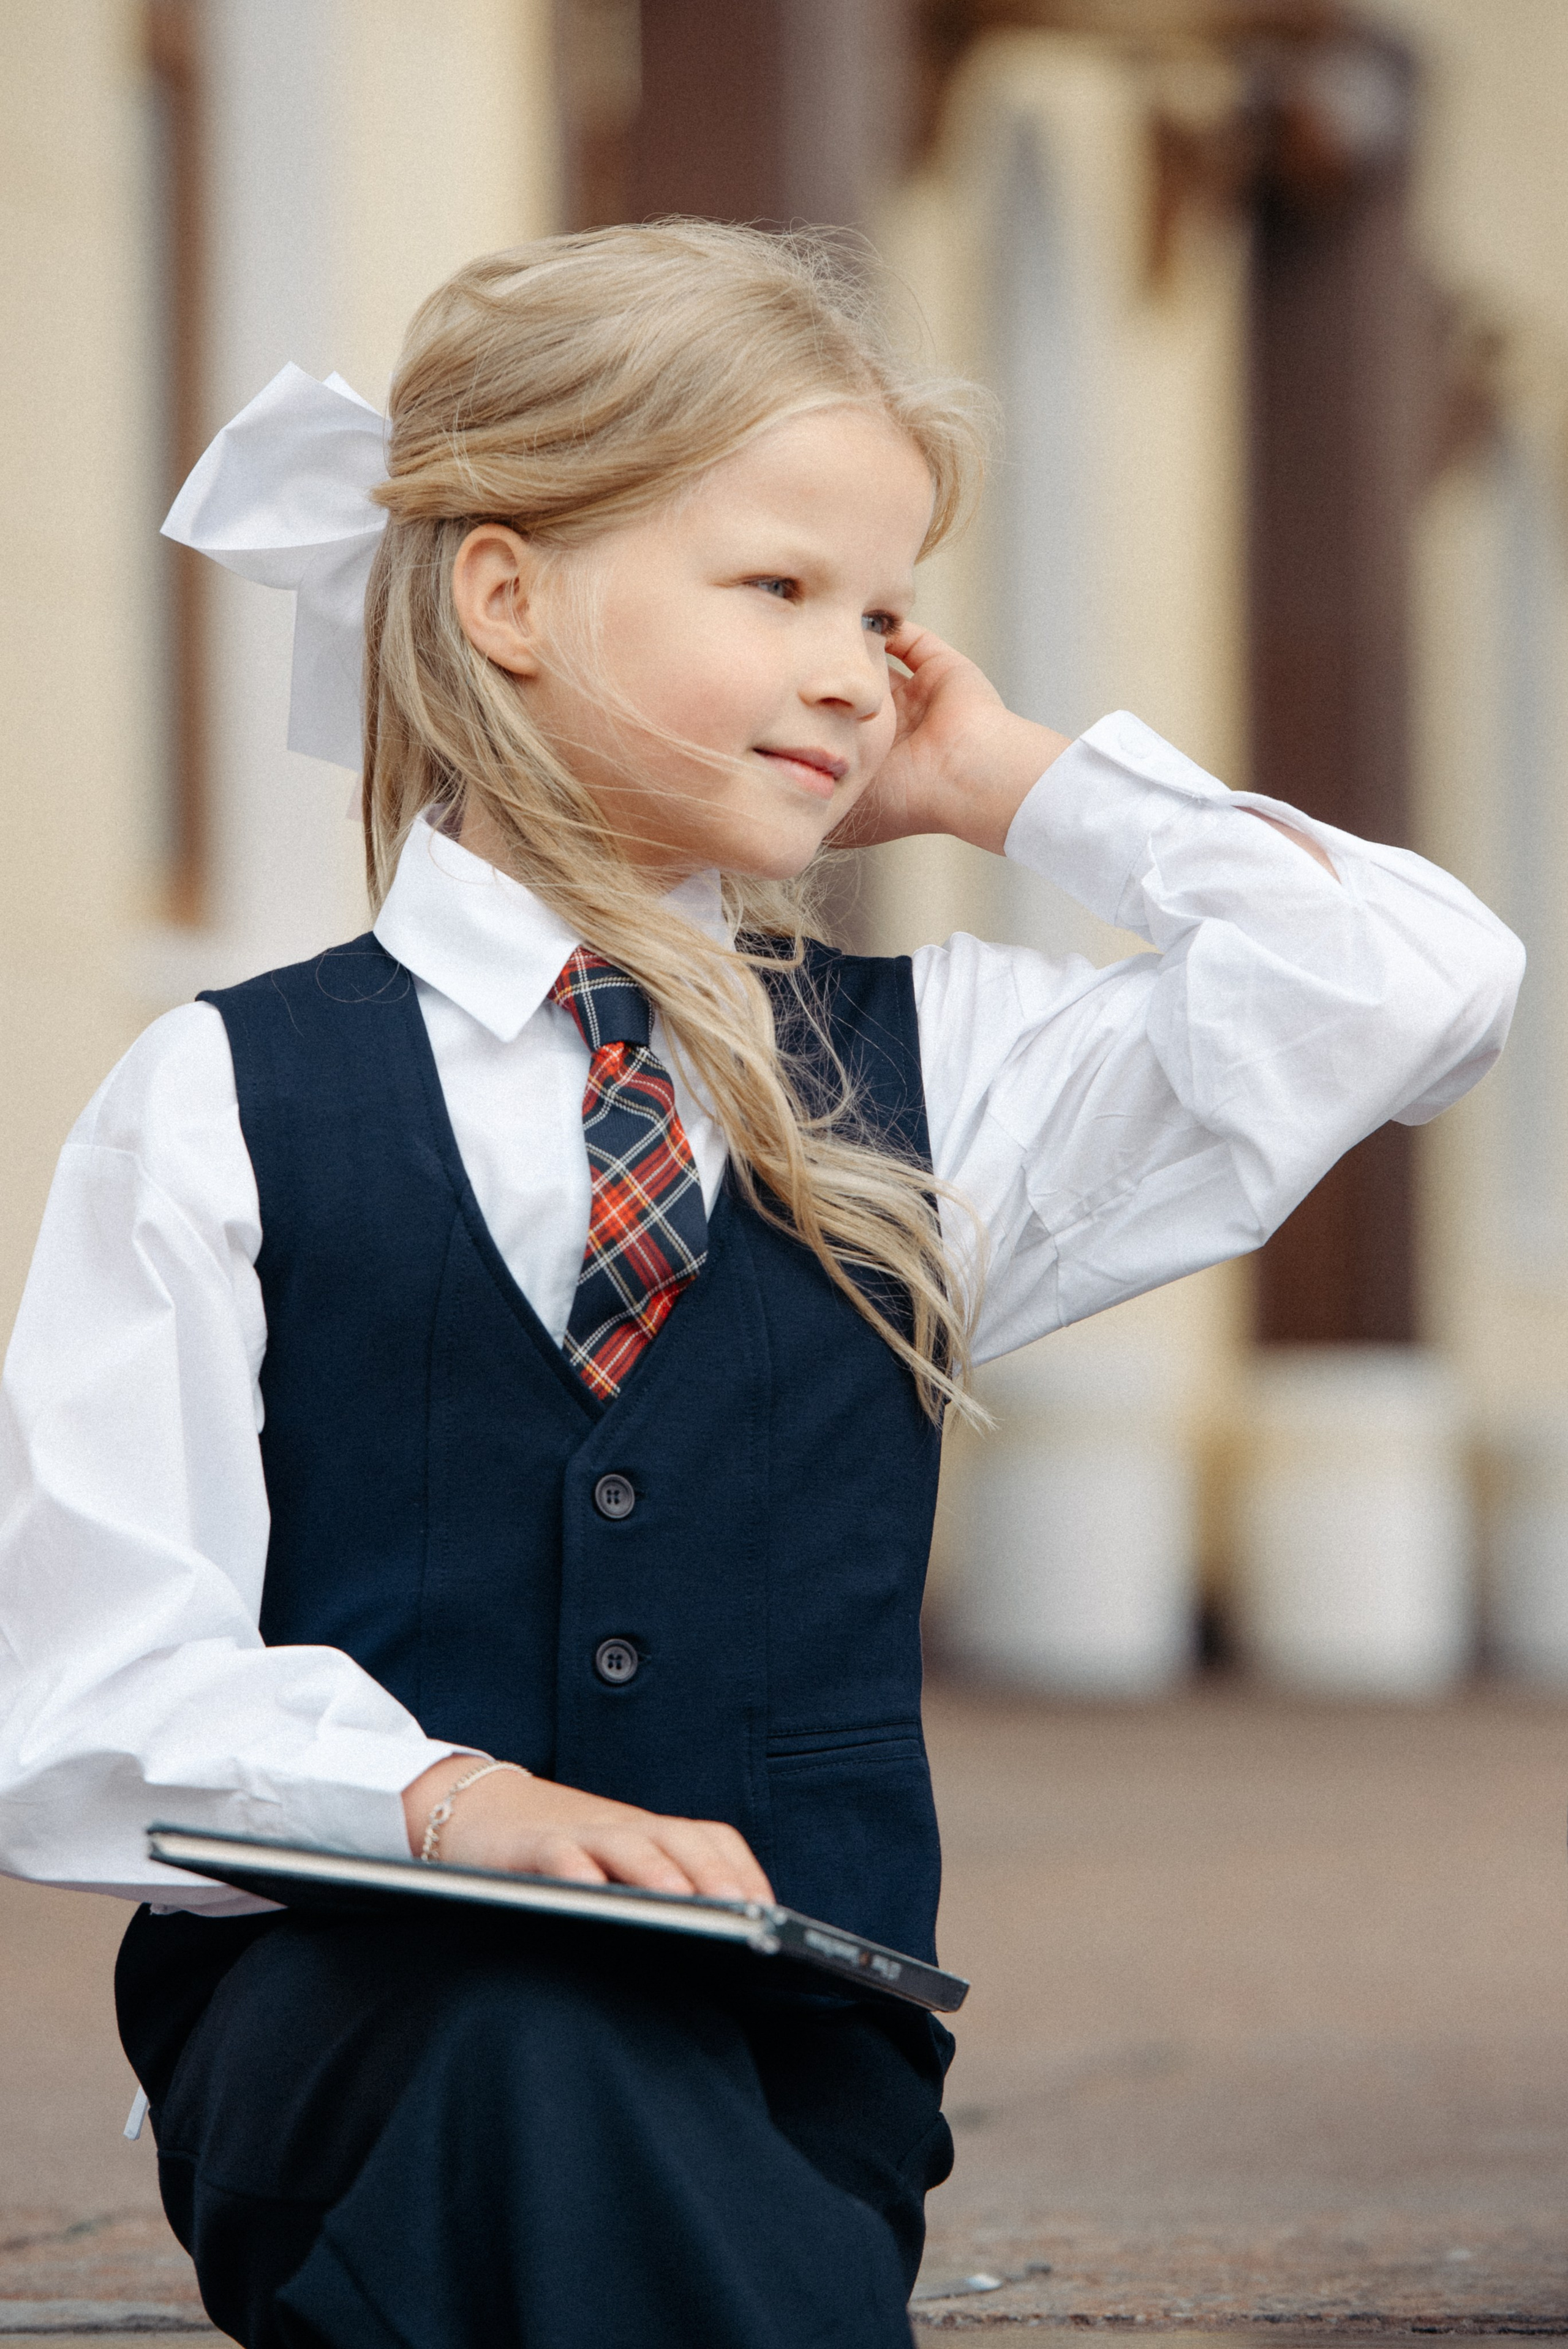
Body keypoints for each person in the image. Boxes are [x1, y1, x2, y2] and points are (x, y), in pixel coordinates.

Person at [0, 221, 1523, 2349]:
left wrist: (1014, 784)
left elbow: (1421, 985)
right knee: (514, 2038)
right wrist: (446, 1800)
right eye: (779, 588)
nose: (854, 667)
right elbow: (85, 1693)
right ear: (505, 593)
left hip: (781, 2061)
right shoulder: (220, 1097)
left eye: (889, 611)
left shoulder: (943, 1077)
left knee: (620, 2137)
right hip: (350, 2035)